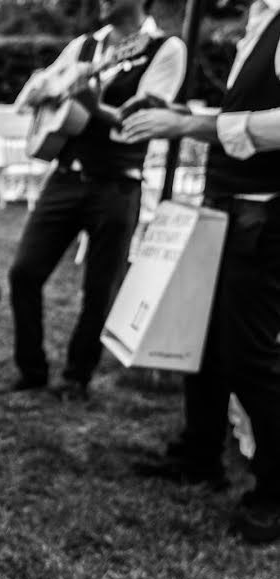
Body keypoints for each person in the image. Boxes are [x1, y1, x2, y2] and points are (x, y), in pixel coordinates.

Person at [122, 0, 280, 544]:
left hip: (266, 213)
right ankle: (199, 453)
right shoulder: (259, 21)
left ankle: (274, 492)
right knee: (206, 342)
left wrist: (188, 123)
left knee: (251, 359)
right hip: (228, 204)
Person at [8, 0, 186, 400]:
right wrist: (50, 87)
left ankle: (77, 376)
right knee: (24, 272)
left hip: (117, 184)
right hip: (66, 175)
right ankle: (31, 369)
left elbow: (140, 123)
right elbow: (29, 97)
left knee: (99, 287)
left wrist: (93, 105)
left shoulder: (164, 49)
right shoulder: (85, 46)